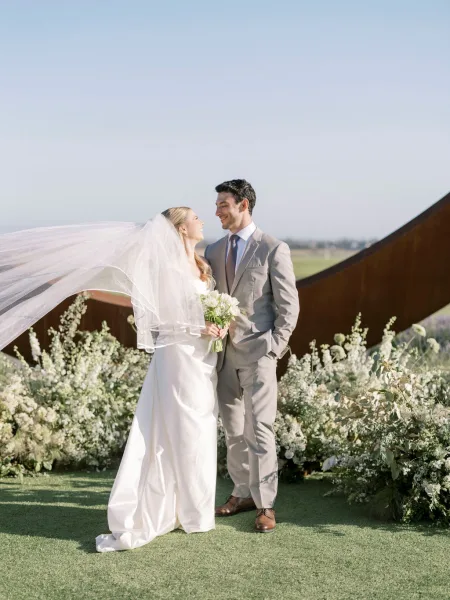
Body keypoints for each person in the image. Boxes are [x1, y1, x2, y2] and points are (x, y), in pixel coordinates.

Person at [0, 208, 225, 551]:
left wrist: (217, 323)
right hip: (178, 356)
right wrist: (198, 327)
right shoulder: (166, 268)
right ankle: (181, 511)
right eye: (195, 217)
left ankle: (194, 511)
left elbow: (202, 307)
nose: (202, 220)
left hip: (202, 356)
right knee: (183, 429)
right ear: (181, 228)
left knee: (202, 427)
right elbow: (161, 317)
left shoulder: (201, 263)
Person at [204, 179, 299, 533]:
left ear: (243, 205)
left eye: (223, 205)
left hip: (260, 354)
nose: (217, 211)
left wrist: (273, 348)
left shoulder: (274, 248)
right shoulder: (213, 250)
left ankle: (265, 504)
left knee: (260, 429)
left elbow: (289, 307)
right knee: (232, 430)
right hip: (223, 357)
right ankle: (241, 493)